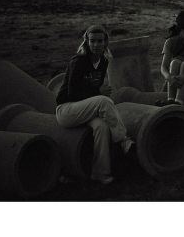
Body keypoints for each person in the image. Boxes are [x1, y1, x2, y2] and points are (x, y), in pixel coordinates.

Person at [55, 24, 134, 185]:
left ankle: (100, 173)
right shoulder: (78, 61)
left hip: (85, 109)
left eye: (100, 41)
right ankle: (123, 140)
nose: (96, 44)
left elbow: (93, 91)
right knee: (103, 100)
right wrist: (97, 91)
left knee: (102, 127)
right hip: (67, 110)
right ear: (87, 42)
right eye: (92, 41)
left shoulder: (103, 61)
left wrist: (97, 92)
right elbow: (72, 93)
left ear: (106, 42)